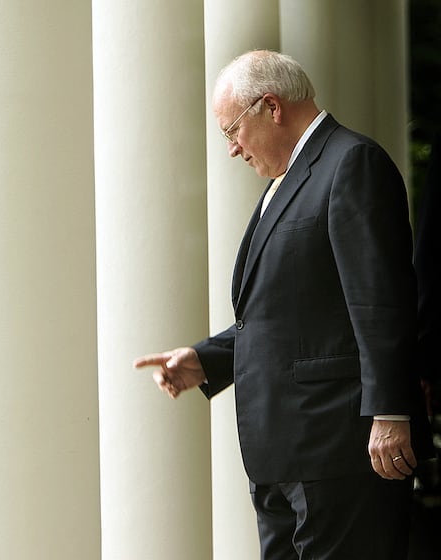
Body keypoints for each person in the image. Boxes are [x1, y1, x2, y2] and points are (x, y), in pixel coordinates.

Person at [134, 50, 434, 560]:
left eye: (232, 131)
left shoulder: (351, 162)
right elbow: (288, 314)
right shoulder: (289, 179)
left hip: (341, 452)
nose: (232, 149)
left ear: (271, 107)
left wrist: (390, 411)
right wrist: (206, 360)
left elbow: (380, 301)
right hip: (283, 457)